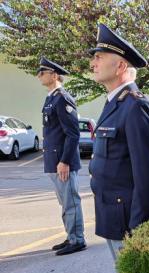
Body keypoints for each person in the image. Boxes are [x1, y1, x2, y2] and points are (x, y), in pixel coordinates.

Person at [88, 23, 149, 273]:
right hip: (112, 212)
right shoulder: (113, 104)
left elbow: (147, 176)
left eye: (100, 56)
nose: (93, 61)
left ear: (120, 66)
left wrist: (140, 225)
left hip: (129, 216)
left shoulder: (135, 106)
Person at [37, 57, 86, 256]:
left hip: (62, 162)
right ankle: (71, 236)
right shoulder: (51, 98)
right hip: (54, 161)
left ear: (54, 75)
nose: (38, 75)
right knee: (64, 202)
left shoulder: (63, 98)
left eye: (43, 72)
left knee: (70, 201)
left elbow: (73, 133)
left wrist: (64, 161)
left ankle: (77, 240)